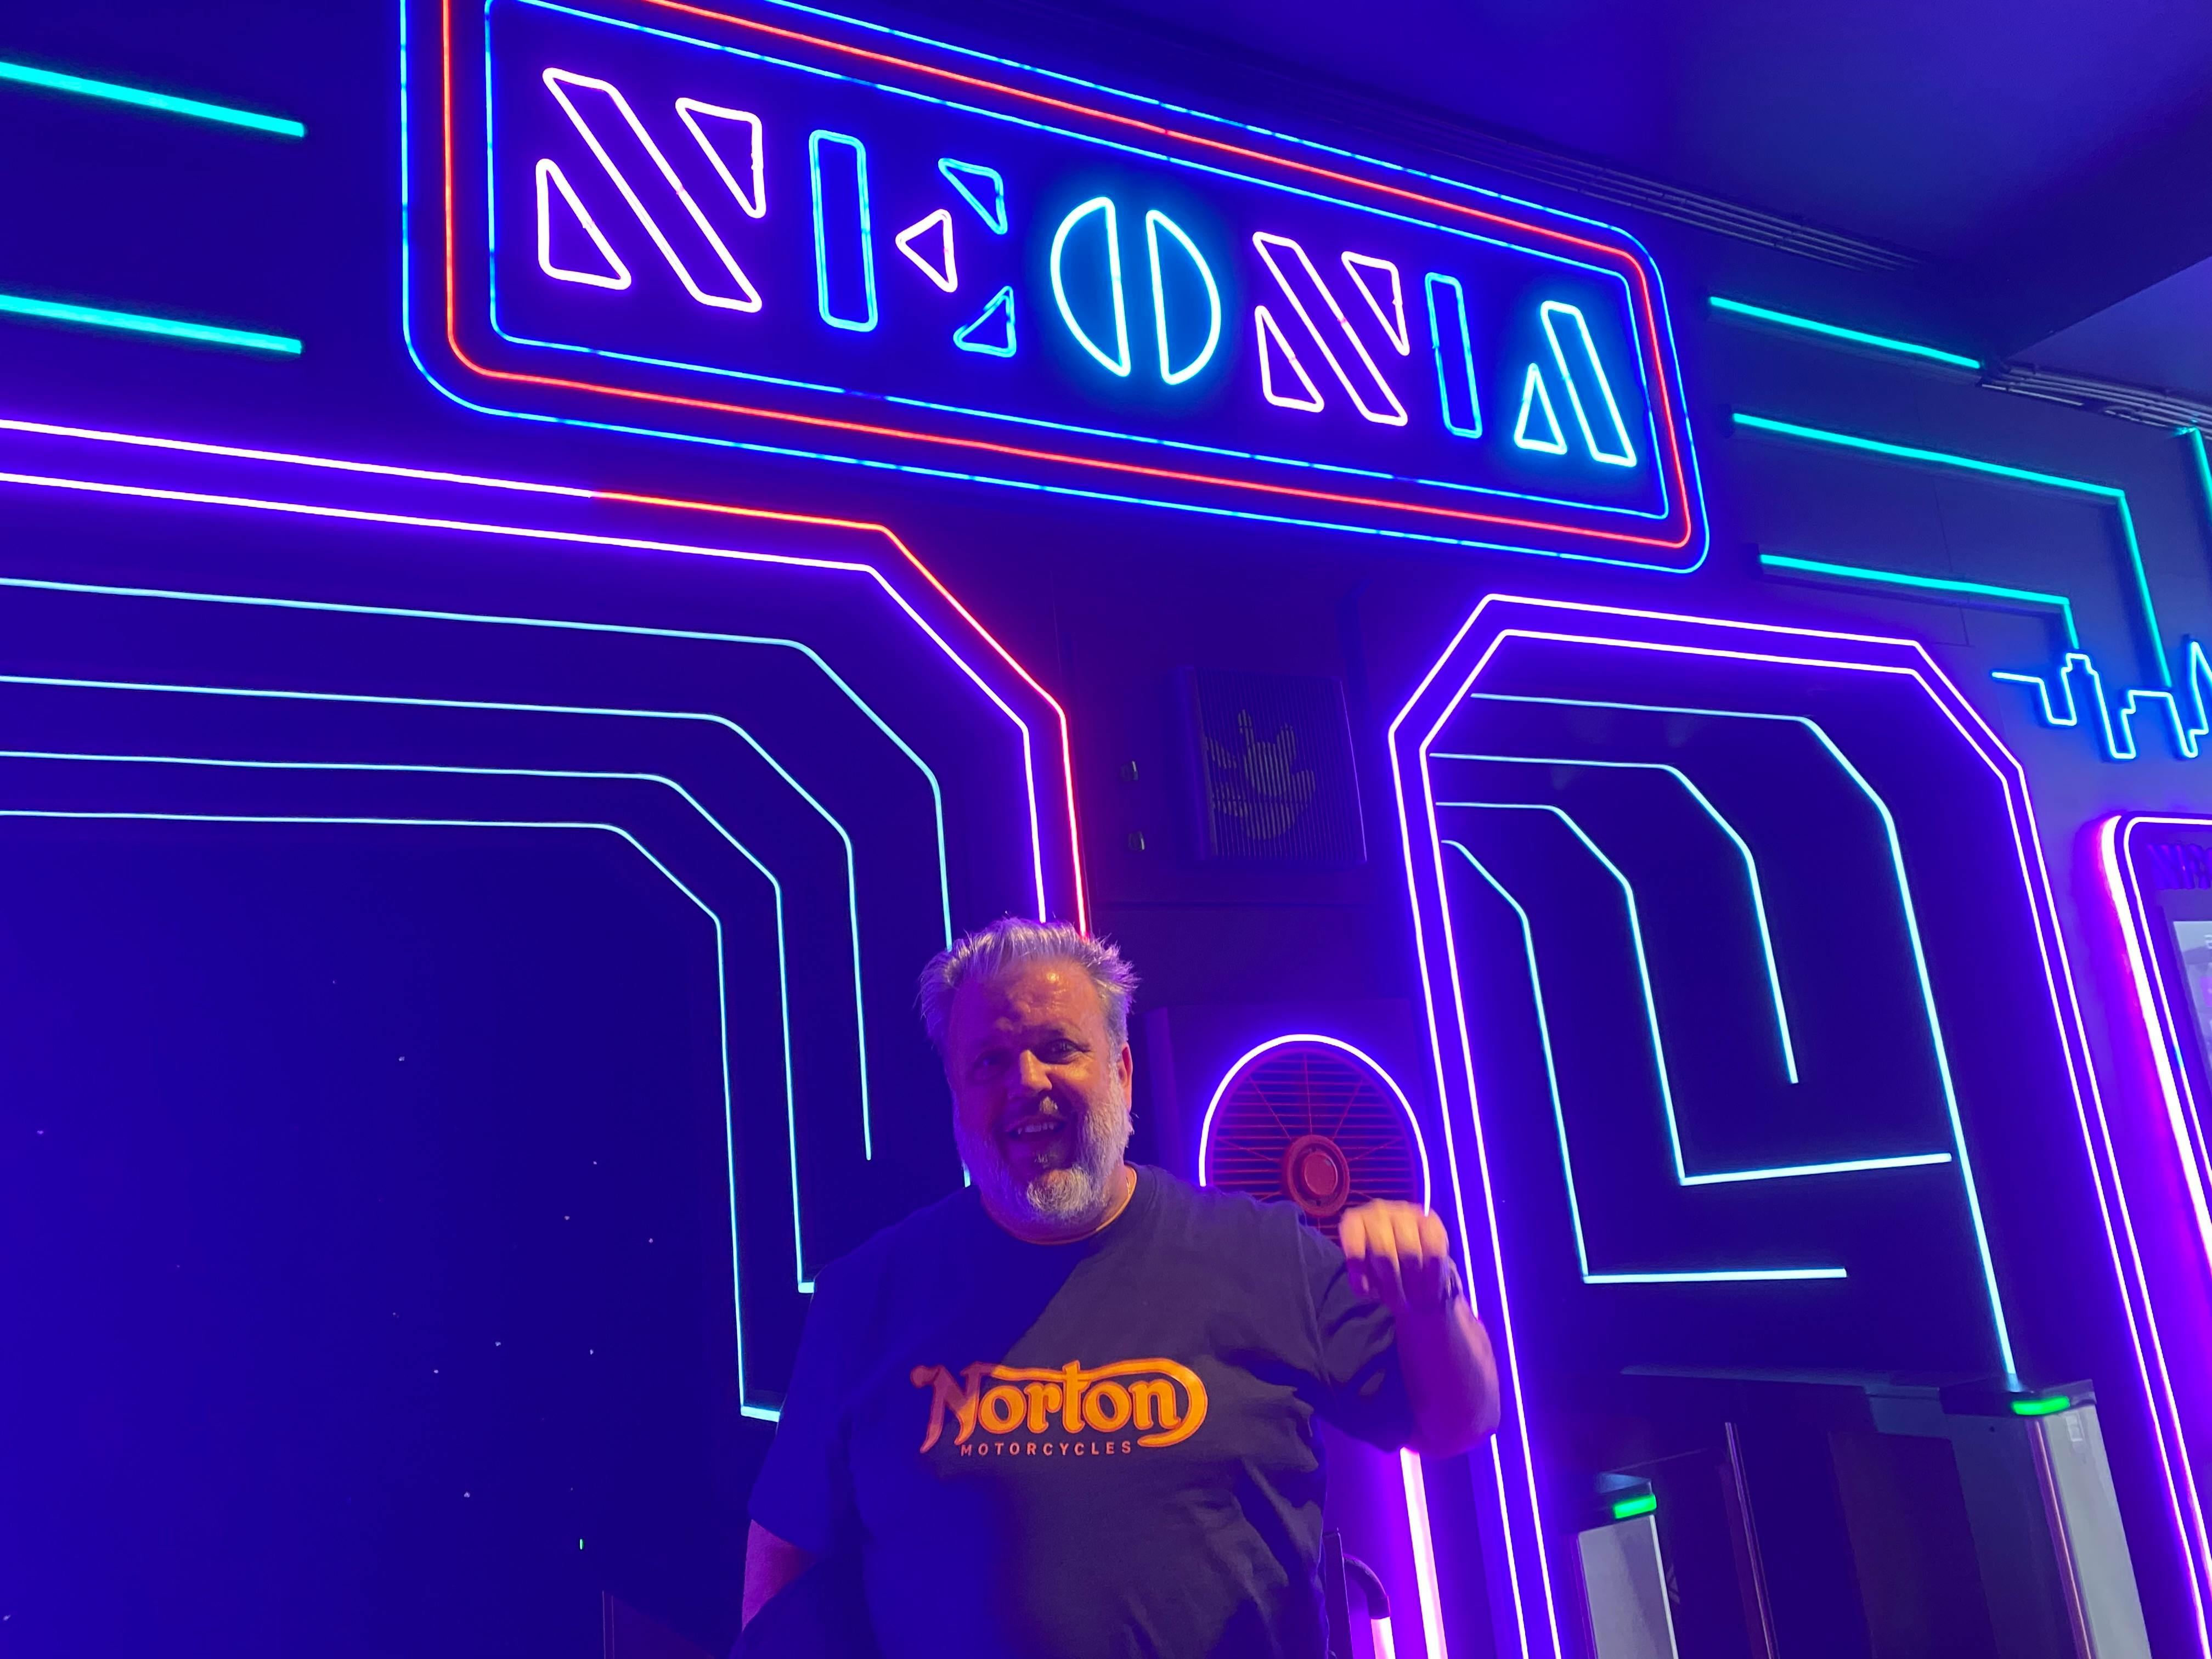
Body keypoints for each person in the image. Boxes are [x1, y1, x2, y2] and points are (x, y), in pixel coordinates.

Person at [741, 918, 1498, 1658]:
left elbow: (1459, 1420)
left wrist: (1434, 1303)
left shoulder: (1267, 1254)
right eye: (990, 1062)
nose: (1026, 1082)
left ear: (1123, 1072)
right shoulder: (867, 1297)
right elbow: (786, 1555)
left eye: (1058, 1049)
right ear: (956, 1094)